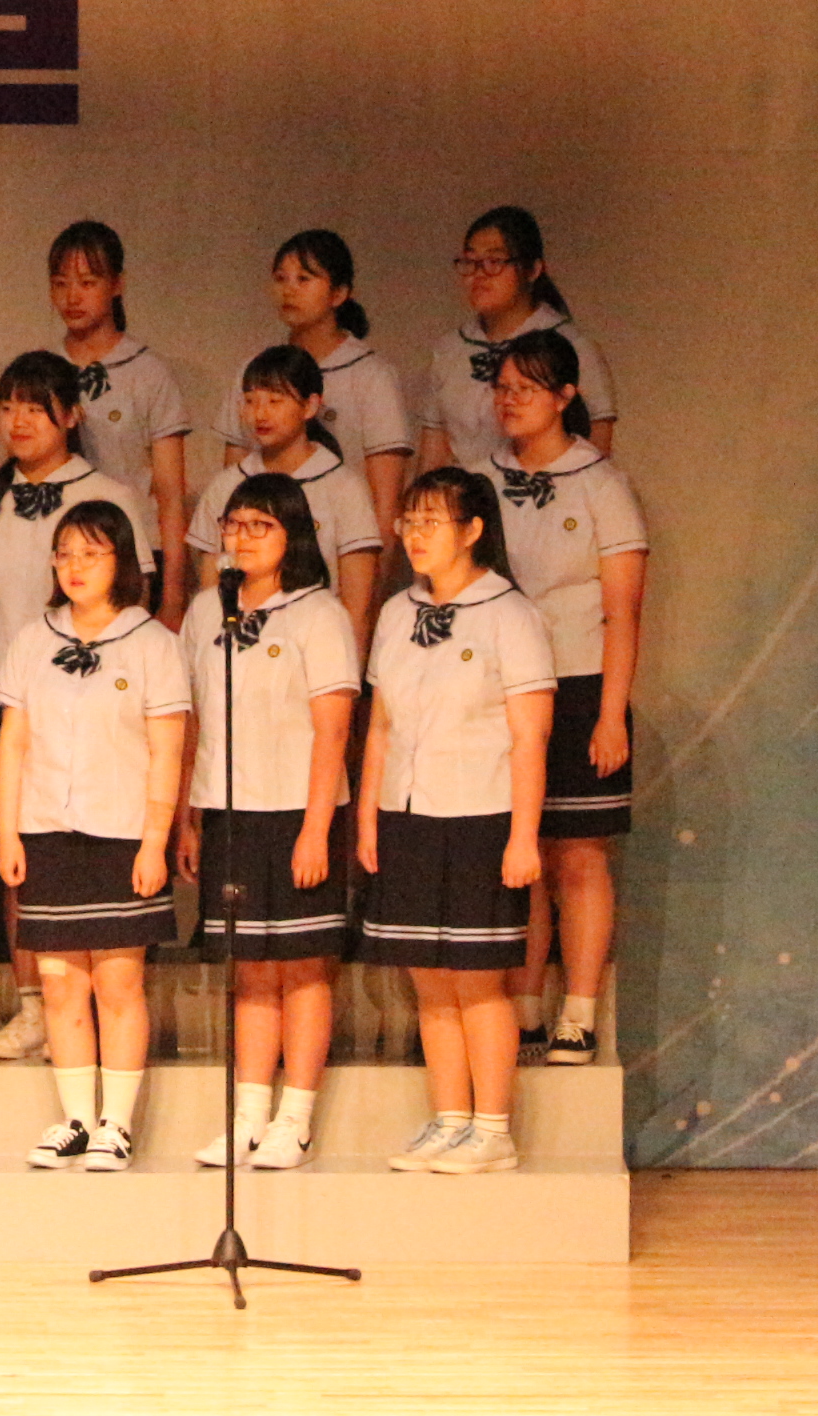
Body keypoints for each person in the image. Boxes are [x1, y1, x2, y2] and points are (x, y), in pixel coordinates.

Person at [0, 350, 144, 1062]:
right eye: (7, 407)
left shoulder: (111, 495)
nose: (18, 421)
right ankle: (34, 1002)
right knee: (20, 851)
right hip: (14, 703)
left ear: (72, 414)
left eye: (35, 406)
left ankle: (100, 1007)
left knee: (96, 851)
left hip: (97, 709)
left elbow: (136, 603)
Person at [359, 469, 553, 1174]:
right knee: (429, 980)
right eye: (409, 520)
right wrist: (369, 816)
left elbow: (530, 734)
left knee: (476, 979)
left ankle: (492, 1129)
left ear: (472, 531)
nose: (415, 535)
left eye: (431, 521)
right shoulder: (394, 613)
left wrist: (524, 835)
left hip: (480, 815)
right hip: (407, 813)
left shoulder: (511, 615)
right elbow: (381, 726)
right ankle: (449, 1119)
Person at [0, 499, 187, 1171]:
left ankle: (116, 1122)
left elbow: (168, 750)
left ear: (122, 561)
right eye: (65, 554)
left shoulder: (153, 643)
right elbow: (13, 743)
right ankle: (76, 1117)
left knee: (118, 984)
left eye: (92, 553)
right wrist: (8, 833)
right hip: (46, 830)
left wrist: (155, 841)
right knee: (59, 985)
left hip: (122, 834)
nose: (75, 566)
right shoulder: (31, 640)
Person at [179, 474, 361, 1172]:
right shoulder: (207, 610)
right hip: (229, 808)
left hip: (298, 811)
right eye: (234, 524)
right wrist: (190, 816)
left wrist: (315, 829)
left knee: (303, 969)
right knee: (250, 967)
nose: (243, 537)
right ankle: (249, 1115)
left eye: (261, 526)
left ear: (293, 535)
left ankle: (296, 1119)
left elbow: (332, 728)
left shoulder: (320, 614)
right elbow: (194, 717)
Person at [485, 330, 649, 1066]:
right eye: (502, 388)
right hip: (502, 691)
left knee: (577, 856)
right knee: (518, 851)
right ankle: (523, 1004)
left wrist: (611, 714)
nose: (510, 400)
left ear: (565, 396)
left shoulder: (601, 483)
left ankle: (578, 1011)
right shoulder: (480, 479)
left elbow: (623, 611)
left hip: (582, 687)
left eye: (526, 388)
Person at [211, 231, 412, 539]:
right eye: (281, 278)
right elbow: (234, 480)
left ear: (339, 293)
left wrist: (374, 566)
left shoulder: (371, 376)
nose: (289, 290)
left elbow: (385, 502)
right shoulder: (254, 371)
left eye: (303, 279)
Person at [41, 222, 191, 626]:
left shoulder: (149, 373)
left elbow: (170, 496)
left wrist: (173, 595)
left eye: (87, 282)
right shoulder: (42, 370)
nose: (72, 296)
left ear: (117, 285)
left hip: (133, 554)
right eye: (61, 283)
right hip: (60, 556)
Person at [187, 345, 385, 644]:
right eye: (250, 401)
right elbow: (210, 588)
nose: (260, 413)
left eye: (275, 401)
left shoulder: (343, 487)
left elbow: (357, 607)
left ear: (310, 406)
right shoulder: (226, 485)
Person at [416, 206, 620, 474]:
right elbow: (433, 455)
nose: (479, 273)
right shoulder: (449, 349)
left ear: (533, 269)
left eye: (494, 262)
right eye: (470, 262)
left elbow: (596, 452)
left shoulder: (572, 346)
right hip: (464, 495)